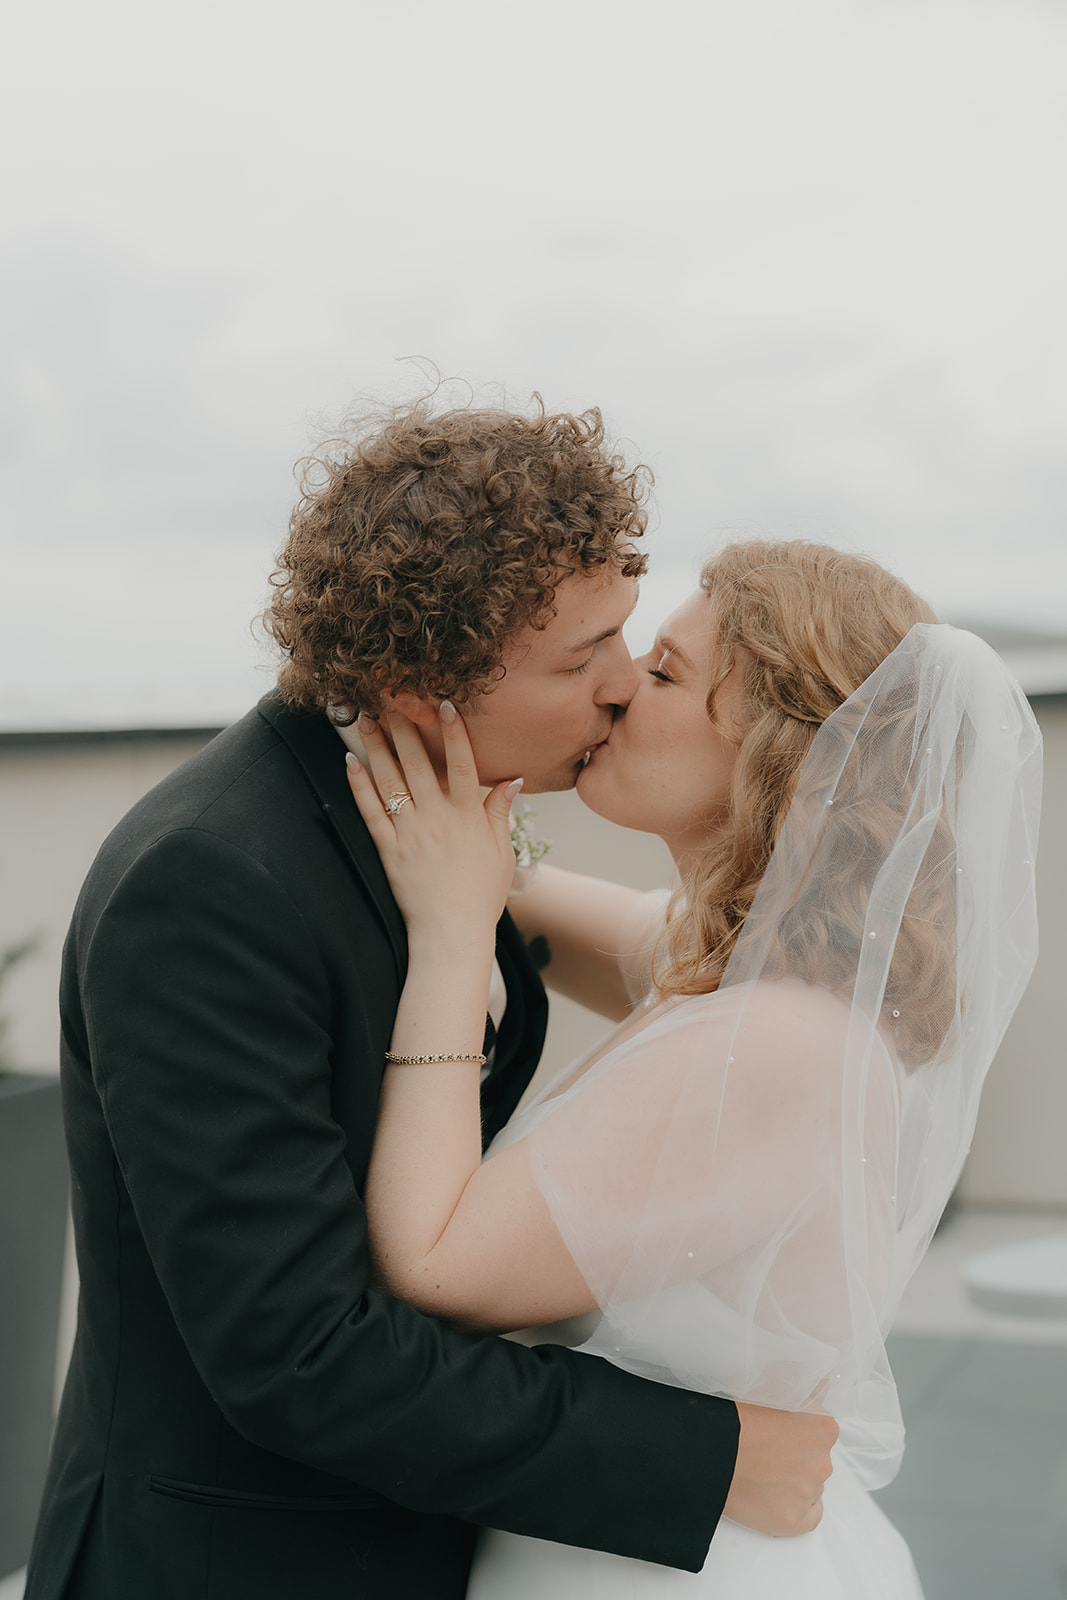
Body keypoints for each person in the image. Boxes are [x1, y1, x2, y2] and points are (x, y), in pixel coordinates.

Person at [26, 408, 835, 1600]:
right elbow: (300, 1352)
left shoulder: (448, 823)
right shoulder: (206, 886)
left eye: (626, 640)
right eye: (581, 658)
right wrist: (708, 1455)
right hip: (241, 1563)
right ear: (421, 681)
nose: (620, 688)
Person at [345, 538, 1042, 1598]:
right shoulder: (752, 971)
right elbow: (535, 898)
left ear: (783, 751)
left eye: (663, 672)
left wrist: (448, 938)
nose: (617, 688)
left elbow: (438, 1263)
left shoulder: (777, 1042)